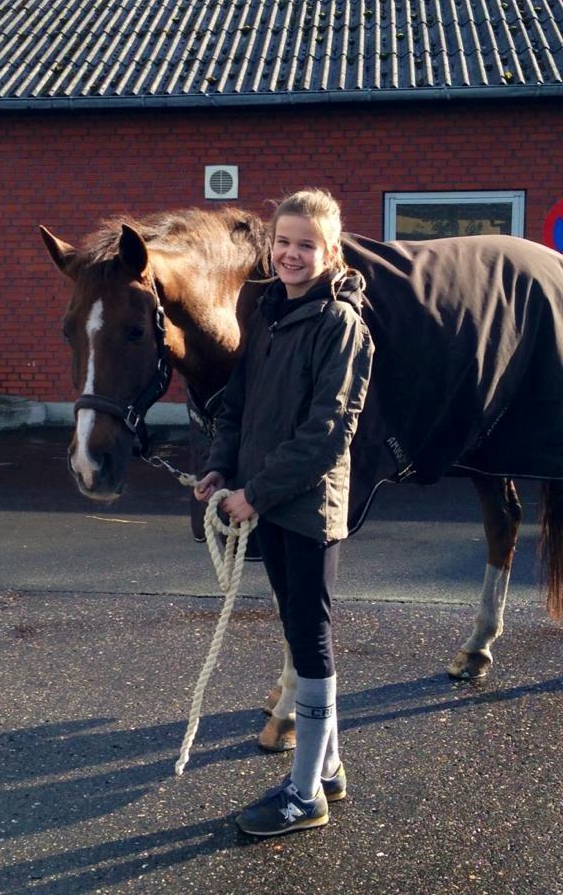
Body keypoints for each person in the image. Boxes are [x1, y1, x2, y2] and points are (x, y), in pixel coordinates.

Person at [194, 188, 374, 837]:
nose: (292, 253)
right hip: (268, 503)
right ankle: (326, 769)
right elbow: (235, 406)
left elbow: (327, 433)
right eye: (285, 241)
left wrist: (255, 495)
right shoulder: (267, 315)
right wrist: (221, 467)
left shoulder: (342, 327)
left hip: (307, 512)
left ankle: (305, 797)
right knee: (300, 636)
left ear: (329, 253)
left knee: (311, 642)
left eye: (307, 244)